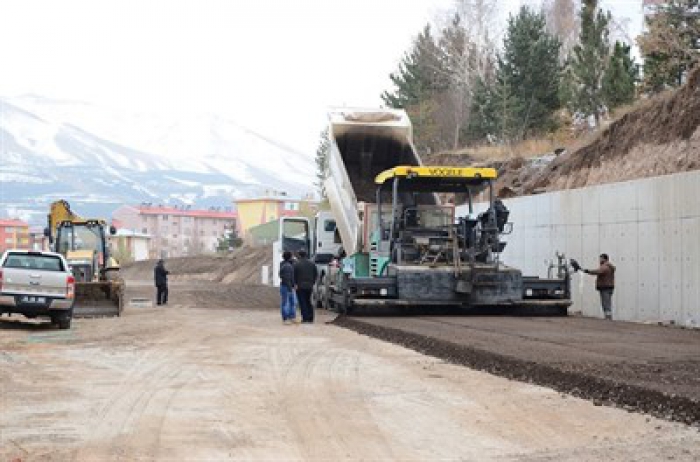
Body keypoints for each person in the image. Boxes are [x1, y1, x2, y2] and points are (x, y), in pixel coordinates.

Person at [583, 253, 616, 320]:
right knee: (607, 301)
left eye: (601, 258)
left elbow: (598, 271)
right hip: (609, 286)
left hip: (605, 287)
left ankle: (608, 317)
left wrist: (588, 271)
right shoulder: (609, 266)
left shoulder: (605, 266)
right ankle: (608, 316)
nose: (599, 260)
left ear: (604, 259)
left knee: (605, 302)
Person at [294, 250, 318, 323]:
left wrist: (295, 284)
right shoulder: (312, 264)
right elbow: (315, 274)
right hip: (309, 286)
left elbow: (294, 275)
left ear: (299, 255)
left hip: (300, 286)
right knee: (308, 301)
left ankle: (305, 318)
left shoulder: (296, 264)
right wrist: (312, 282)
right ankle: (311, 317)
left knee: (302, 302)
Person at [279, 251, 297, 325]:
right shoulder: (288, 266)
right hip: (287, 286)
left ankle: (290, 317)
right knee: (287, 302)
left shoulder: (284, 264)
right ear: (290, 257)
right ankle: (287, 318)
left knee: (290, 302)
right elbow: (288, 278)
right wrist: (291, 287)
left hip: (286, 286)